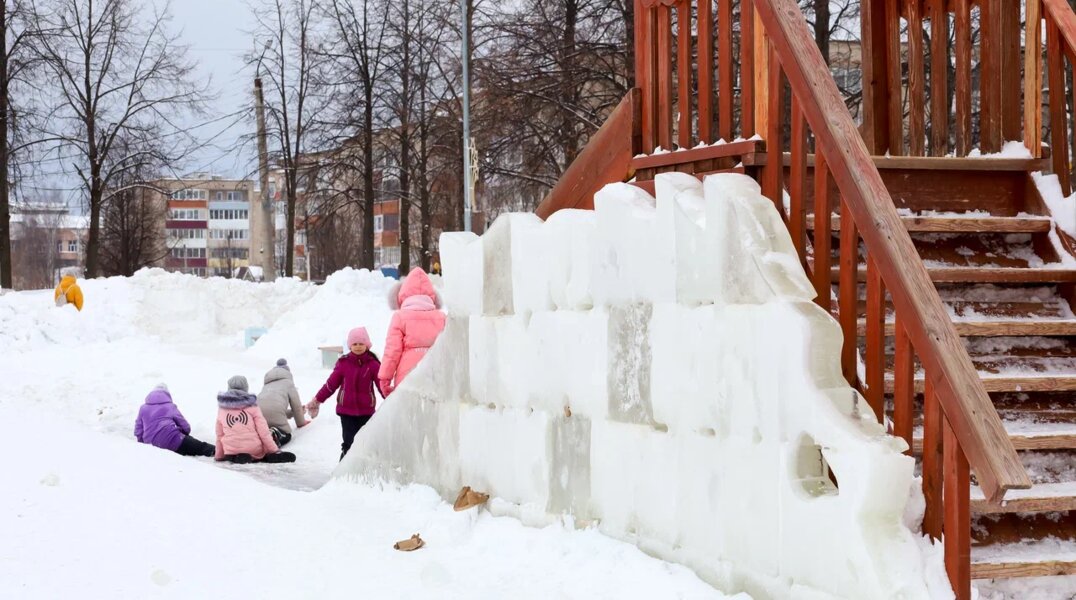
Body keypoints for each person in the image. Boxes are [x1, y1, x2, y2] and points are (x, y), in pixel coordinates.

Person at [307, 327, 383, 460]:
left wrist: (392, 399)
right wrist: (317, 400)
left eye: (361, 343)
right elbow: (330, 385)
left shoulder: (373, 364)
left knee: (365, 443)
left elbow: (382, 386)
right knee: (349, 443)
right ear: (350, 346)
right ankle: (344, 471)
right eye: (355, 344)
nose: (358, 347)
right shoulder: (343, 363)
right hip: (346, 412)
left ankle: (363, 470)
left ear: (367, 345)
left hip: (366, 412)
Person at [378, 267, 446, 396]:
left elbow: (392, 351)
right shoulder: (441, 318)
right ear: (432, 296)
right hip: (436, 377)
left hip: (407, 380)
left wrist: (385, 379)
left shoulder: (400, 317)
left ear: (402, 294)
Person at [215, 375, 295, 464]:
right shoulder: (252, 406)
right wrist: (274, 450)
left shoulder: (222, 409)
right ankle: (270, 456)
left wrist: (219, 456)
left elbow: (220, 435)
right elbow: (263, 432)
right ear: (246, 388)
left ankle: (237, 457)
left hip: (230, 450)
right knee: (261, 451)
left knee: (232, 453)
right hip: (253, 448)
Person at [134, 384, 214, 457]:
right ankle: (219, 452)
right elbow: (185, 426)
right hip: (173, 441)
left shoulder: (143, 408)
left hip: (151, 444)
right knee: (201, 447)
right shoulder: (170, 406)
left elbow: (138, 430)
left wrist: (143, 444)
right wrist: (185, 435)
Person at [257, 358, 307, 447]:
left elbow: (274, 407)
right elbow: (297, 407)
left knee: (265, 428)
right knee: (287, 435)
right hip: (276, 415)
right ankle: (276, 436)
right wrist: (301, 422)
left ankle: (263, 437)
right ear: (288, 373)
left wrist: (291, 413)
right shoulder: (288, 383)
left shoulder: (267, 385)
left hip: (258, 413)